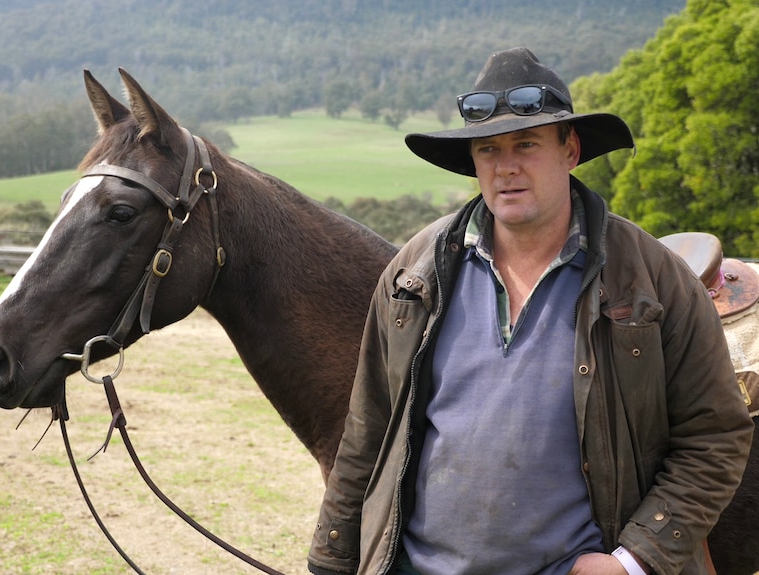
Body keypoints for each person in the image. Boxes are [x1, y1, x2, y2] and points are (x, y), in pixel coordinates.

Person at [307, 47, 753, 575]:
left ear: (570, 150)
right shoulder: (415, 273)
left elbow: (715, 437)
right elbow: (368, 430)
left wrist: (634, 561)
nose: (507, 167)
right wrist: (331, 561)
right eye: (489, 150)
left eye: (526, 144)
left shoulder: (651, 280)